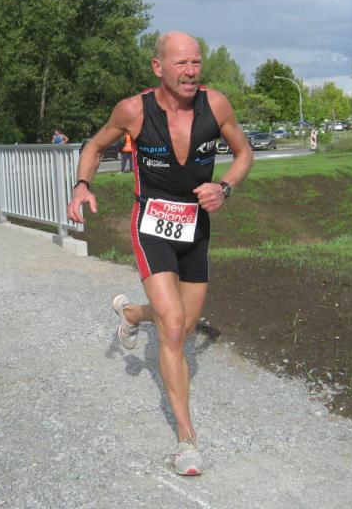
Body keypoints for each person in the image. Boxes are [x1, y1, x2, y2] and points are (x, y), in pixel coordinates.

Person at [67, 31, 253, 476]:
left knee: (184, 324)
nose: (191, 71)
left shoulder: (216, 105)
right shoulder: (134, 110)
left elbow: (244, 152)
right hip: (151, 226)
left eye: (196, 62)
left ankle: (132, 314)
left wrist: (225, 187)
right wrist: (82, 185)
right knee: (172, 328)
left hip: (196, 226)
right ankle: (187, 439)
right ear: (158, 67)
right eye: (181, 63)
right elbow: (95, 145)